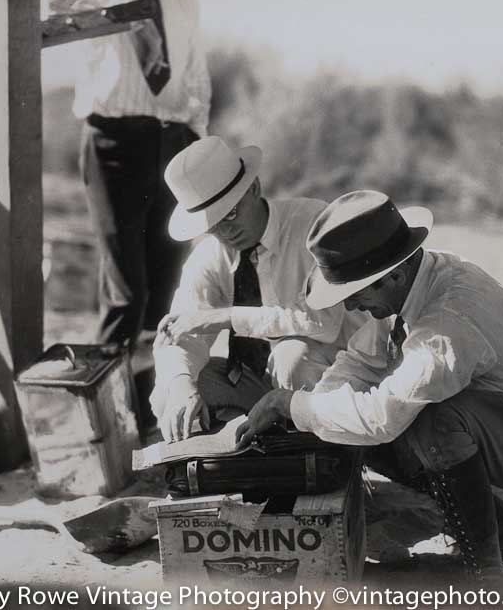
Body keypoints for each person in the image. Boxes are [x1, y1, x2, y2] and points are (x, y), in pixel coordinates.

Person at [237, 190, 503, 584]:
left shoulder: (449, 319)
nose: (352, 308)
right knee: (345, 424)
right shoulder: (412, 283)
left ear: (394, 274)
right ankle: (494, 516)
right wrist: (315, 408)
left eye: (355, 295)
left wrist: (292, 405)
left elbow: (381, 419)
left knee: (428, 420)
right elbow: (361, 361)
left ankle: (487, 573)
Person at [150, 136, 365, 443]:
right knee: (181, 384)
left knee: (292, 356)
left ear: (253, 189)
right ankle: (230, 463)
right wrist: (181, 383)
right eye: (213, 225)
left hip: (338, 378)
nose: (226, 231)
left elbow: (325, 321)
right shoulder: (210, 254)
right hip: (259, 380)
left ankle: (318, 456)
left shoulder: (313, 224)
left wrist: (228, 318)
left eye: (231, 214)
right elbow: (179, 330)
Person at [48, 0, 211, 346]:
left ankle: (152, 398)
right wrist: (126, 10)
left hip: (174, 142)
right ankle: (108, 398)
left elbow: (196, 74)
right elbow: (55, 0)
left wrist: (198, 140)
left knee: (169, 293)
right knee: (127, 295)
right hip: (114, 144)